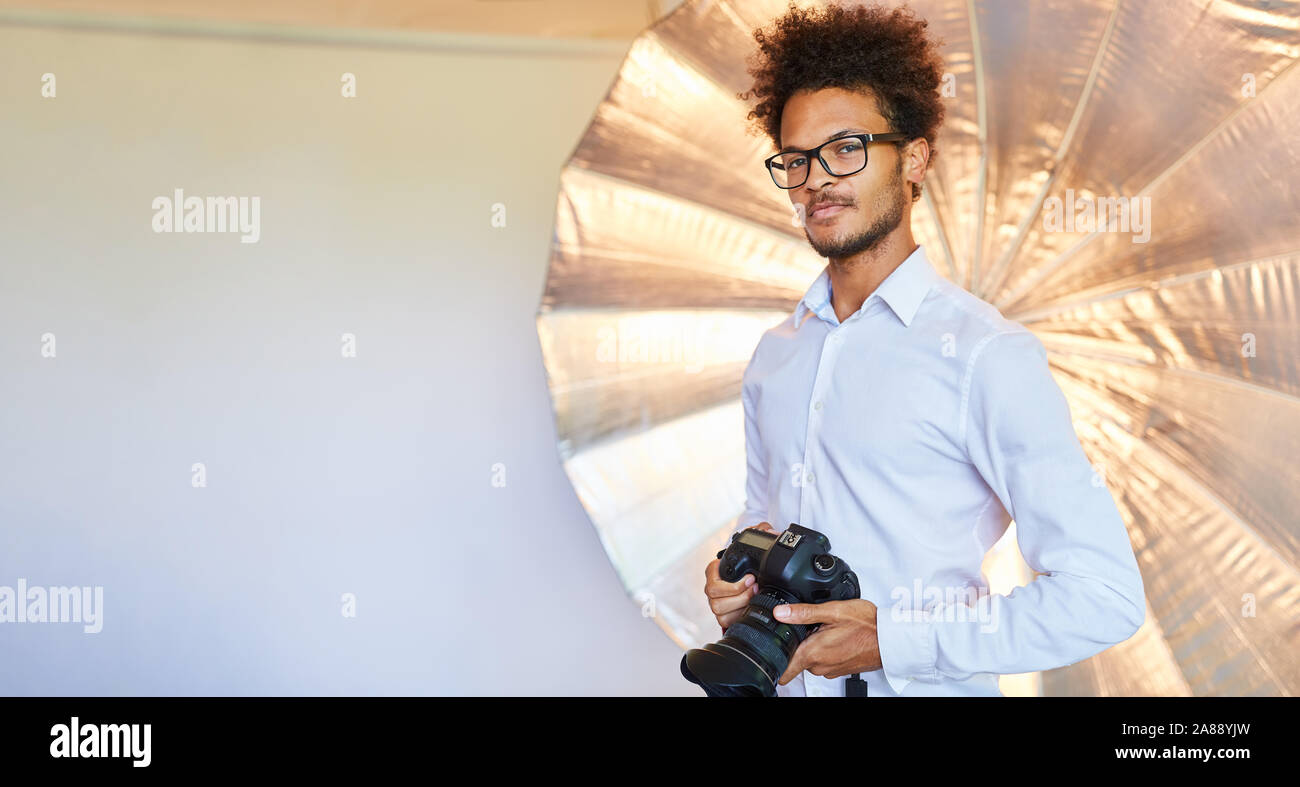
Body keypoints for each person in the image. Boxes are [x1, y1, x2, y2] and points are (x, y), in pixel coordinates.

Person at [703, 1, 1145, 697]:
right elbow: (763, 518)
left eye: (846, 148)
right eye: (795, 159)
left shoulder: (986, 355)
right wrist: (736, 578)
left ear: (914, 159)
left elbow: (1102, 593)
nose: (816, 178)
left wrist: (895, 640)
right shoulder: (775, 354)